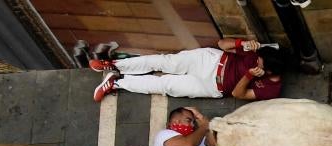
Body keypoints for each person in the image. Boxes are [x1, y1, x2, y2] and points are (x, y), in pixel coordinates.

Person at [90, 39, 285, 102]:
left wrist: (249, 75)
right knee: (164, 62)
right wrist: (241, 43)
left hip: (211, 86)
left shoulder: (271, 88)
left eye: (258, 64)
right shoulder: (257, 54)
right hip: (212, 60)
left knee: (165, 85)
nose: (255, 62)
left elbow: (237, 94)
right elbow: (221, 43)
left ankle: (116, 82)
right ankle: (115, 65)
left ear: (268, 72)